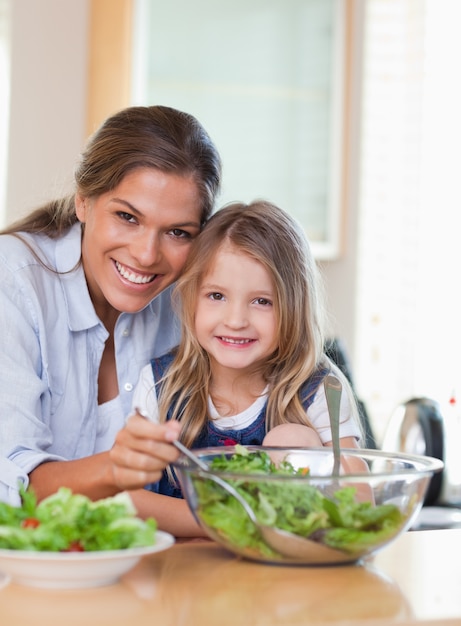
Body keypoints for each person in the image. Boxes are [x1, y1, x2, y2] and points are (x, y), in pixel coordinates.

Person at [0, 104, 221, 534]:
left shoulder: (191, 299)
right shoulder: (13, 283)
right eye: (127, 217)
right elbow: (13, 488)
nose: (146, 254)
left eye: (178, 232)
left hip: (150, 571)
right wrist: (114, 470)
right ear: (83, 200)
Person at [133, 200, 364, 520]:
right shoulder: (161, 384)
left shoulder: (318, 389)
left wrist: (330, 470)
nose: (236, 320)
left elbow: (359, 499)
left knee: (291, 439)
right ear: (192, 298)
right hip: (182, 564)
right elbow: (134, 501)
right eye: (217, 296)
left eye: (261, 301)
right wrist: (236, 521)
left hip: (282, 562)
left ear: (293, 307)